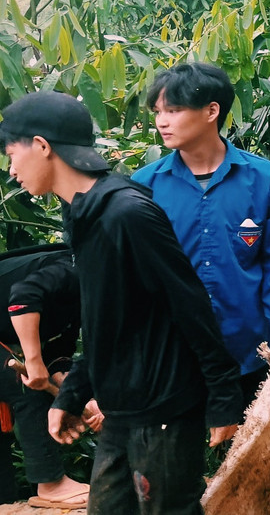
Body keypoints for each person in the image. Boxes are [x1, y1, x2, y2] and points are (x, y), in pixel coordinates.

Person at [1, 91, 242, 514]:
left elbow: (189, 303)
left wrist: (223, 397)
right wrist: (70, 395)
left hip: (163, 404)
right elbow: (105, 320)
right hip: (122, 406)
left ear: (41, 146)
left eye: (11, 154)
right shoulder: (82, 214)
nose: (10, 169)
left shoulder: (126, 213)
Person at [132, 62, 270, 411]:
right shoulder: (144, 186)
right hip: (174, 354)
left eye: (174, 109)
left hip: (250, 351)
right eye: (158, 112)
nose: (162, 121)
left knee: (253, 460)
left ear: (212, 110)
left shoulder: (263, 178)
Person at [0, 243, 88, 508]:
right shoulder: (75, 268)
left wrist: (72, 395)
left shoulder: (87, 298)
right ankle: (50, 483)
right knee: (24, 383)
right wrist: (34, 361)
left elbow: (60, 350)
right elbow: (22, 297)